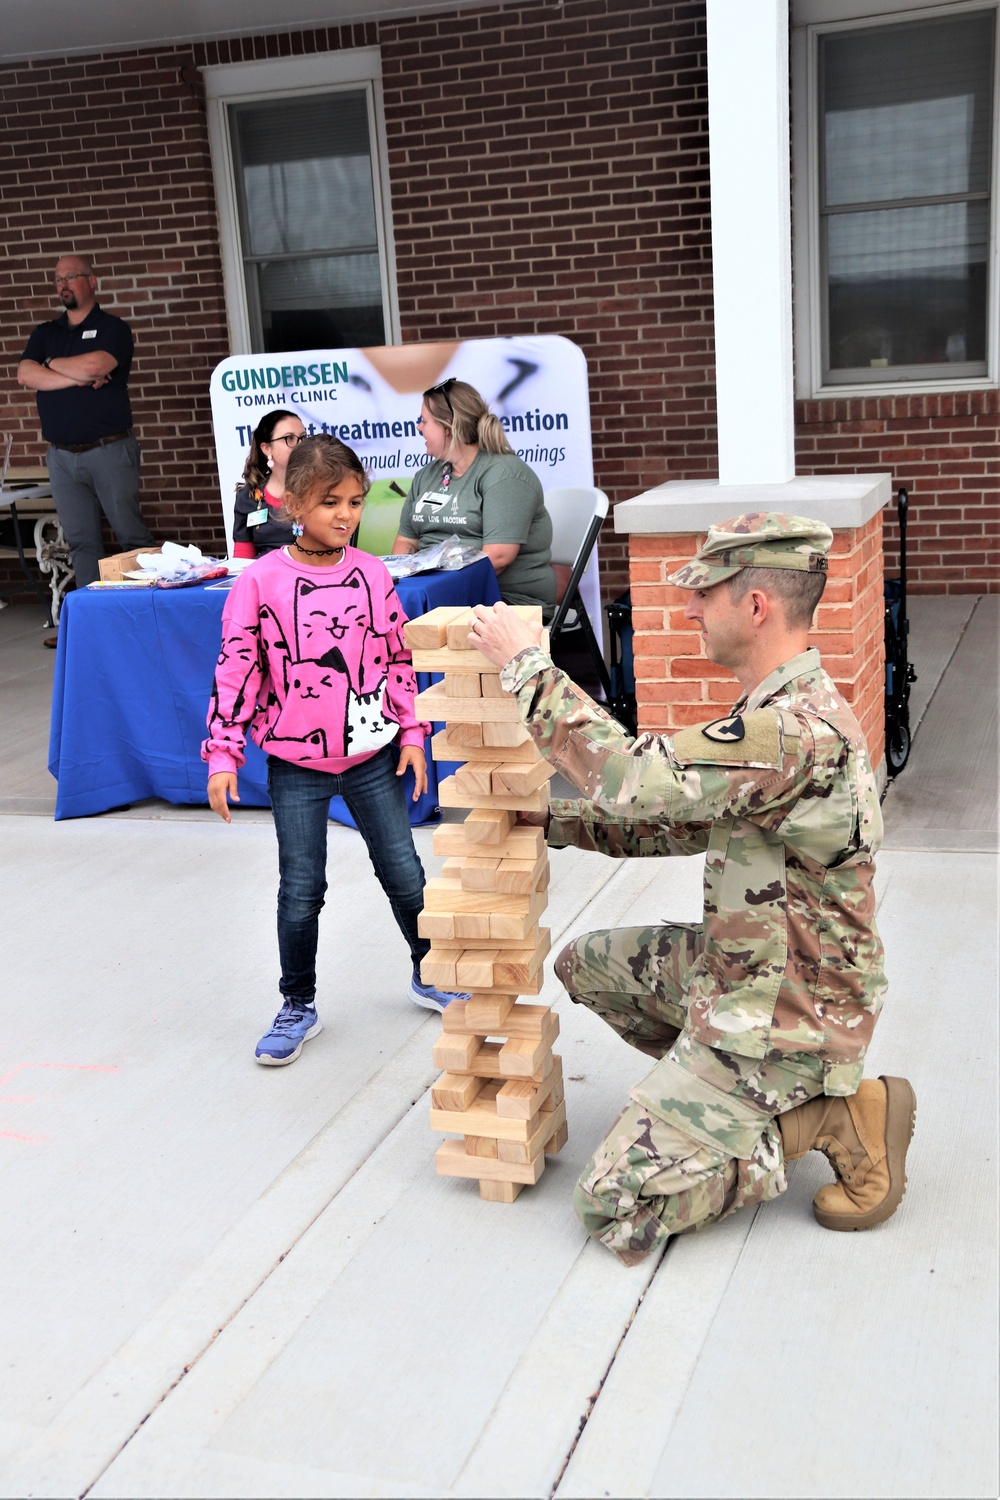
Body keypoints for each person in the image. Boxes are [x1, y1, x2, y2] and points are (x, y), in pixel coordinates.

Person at [468, 512, 916, 1264]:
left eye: (703, 594)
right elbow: (675, 821)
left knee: (611, 1204)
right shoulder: (773, 715)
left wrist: (526, 667)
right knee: (587, 966)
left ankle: (818, 1118)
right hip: (745, 980)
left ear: (756, 606)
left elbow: (634, 778)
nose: (686, 610)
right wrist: (554, 819)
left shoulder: (793, 733)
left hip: (787, 1019)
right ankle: (723, 1102)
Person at [203, 434, 467, 1065]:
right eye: (330, 503)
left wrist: (411, 733)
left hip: (373, 758)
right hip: (295, 765)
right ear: (294, 504)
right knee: (301, 889)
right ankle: (297, 1003)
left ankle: (428, 972)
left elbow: (395, 658)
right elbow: (235, 669)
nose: (346, 516)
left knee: (405, 872)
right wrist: (222, 755)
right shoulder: (260, 582)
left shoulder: (372, 572)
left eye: (354, 501)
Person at [17, 254, 154, 638]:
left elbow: (97, 365)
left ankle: (148, 616)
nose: (63, 284)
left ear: (92, 281)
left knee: (131, 536)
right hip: (61, 456)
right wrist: (73, 375)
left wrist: (53, 366)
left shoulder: (113, 328)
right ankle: (96, 628)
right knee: (81, 543)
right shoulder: (46, 331)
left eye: (72, 276)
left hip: (108, 450)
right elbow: (26, 374)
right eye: (58, 278)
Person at [392, 378, 556, 613]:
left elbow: (497, 558)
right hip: (436, 596)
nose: (419, 427)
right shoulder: (425, 476)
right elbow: (406, 542)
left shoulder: (505, 475)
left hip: (501, 602)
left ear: (448, 425)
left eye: (424, 421)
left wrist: (436, 589)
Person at [231, 410, 304, 559]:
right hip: (265, 579)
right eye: (289, 438)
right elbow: (243, 560)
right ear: (266, 448)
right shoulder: (249, 496)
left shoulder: (319, 490)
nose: (300, 445)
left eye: (302, 437)